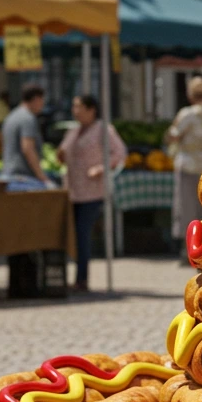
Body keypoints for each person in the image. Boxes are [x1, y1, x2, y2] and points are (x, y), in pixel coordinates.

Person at [57, 94, 126, 292]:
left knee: (82, 233)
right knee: (72, 234)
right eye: (74, 106)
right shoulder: (73, 131)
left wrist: (101, 168)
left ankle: (82, 278)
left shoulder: (103, 130)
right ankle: (76, 276)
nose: (75, 110)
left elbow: (119, 152)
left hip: (92, 191)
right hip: (72, 189)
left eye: (79, 107)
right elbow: (62, 153)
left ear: (91, 109)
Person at [168, 76, 202, 251]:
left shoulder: (187, 114)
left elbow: (173, 136)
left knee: (186, 209)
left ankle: (189, 249)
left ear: (191, 95)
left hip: (188, 165)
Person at [1, 84, 49, 187]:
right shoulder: (28, 119)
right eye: (42, 100)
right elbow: (28, 148)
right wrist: (42, 177)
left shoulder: (11, 116)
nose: (43, 104)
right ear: (36, 99)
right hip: (23, 178)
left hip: (8, 175)